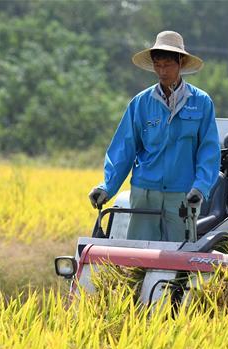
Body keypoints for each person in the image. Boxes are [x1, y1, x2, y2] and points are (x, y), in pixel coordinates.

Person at [88, 31, 221, 242]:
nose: (162, 71)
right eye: (158, 65)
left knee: (180, 258)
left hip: (182, 195)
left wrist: (201, 187)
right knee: (140, 257)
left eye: (167, 64)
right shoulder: (140, 103)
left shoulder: (201, 102)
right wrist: (107, 186)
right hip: (145, 193)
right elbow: (124, 148)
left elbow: (209, 149)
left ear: (181, 63)